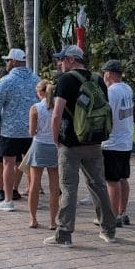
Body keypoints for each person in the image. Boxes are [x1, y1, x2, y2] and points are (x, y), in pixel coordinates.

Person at [46, 45, 114, 246]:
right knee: (99, 185)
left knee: (69, 187)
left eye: (62, 60)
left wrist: (55, 139)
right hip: (94, 141)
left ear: (70, 59)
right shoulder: (98, 79)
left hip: (70, 143)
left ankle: (64, 234)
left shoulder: (65, 80)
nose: (60, 64)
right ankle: (108, 230)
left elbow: (57, 113)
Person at [0, 49, 38, 211]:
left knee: (8, 163)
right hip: (31, 129)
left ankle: (8, 199)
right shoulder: (36, 80)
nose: (7, 63)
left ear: (15, 62)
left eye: (8, 60)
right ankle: (33, 197)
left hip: (10, 130)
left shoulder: (6, 81)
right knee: (30, 165)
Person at [101, 60, 135, 228]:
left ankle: (112, 216)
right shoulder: (127, 89)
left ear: (109, 73)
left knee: (111, 180)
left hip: (112, 141)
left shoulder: (110, 92)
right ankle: (122, 211)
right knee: (122, 178)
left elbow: (107, 115)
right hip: (126, 140)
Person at [27, 79, 59, 230]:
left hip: (39, 145)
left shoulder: (35, 108)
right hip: (54, 146)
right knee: (54, 187)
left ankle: (33, 218)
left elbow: (32, 132)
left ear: (40, 92)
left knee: (34, 184)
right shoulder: (57, 107)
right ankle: (53, 221)